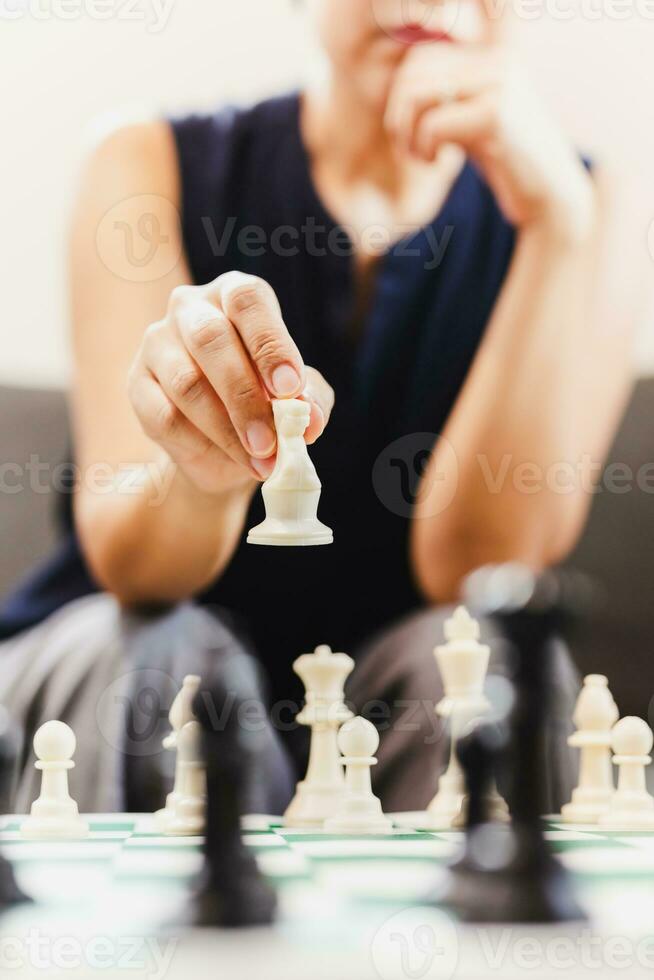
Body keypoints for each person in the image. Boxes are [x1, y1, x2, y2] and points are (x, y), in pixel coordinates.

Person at [0, 0, 644, 814]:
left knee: (488, 663)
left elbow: (480, 575)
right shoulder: (144, 161)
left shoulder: (591, 206)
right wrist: (209, 470)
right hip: (124, 671)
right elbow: (136, 571)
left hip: (393, 717)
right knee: (159, 656)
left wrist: (555, 231)